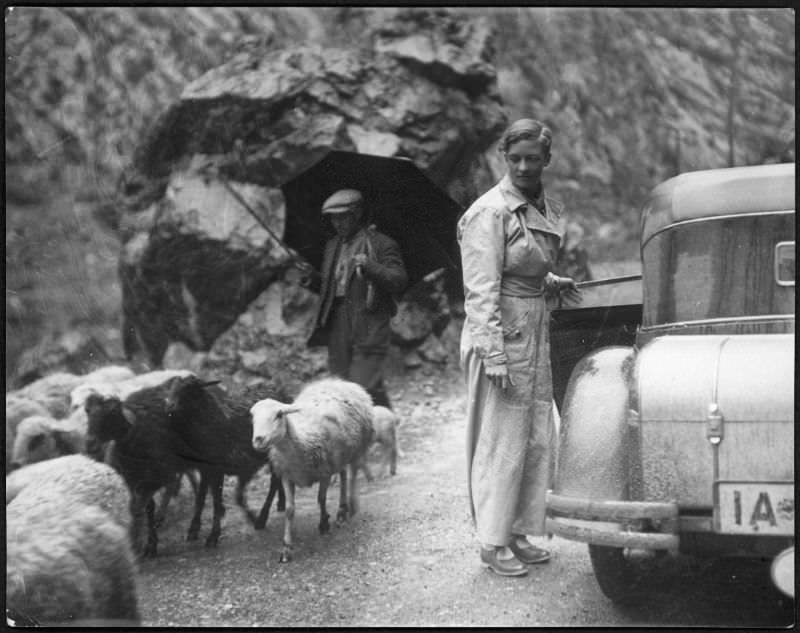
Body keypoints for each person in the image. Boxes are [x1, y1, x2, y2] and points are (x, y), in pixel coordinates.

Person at [457, 118, 580, 577]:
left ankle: (520, 530)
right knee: (501, 441)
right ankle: (492, 540)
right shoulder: (490, 213)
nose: (525, 166)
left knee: (532, 436)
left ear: (547, 159)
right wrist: (493, 354)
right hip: (503, 337)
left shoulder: (539, 205)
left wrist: (549, 281)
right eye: (516, 159)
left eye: (534, 158)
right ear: (503, 160)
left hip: (534, 326)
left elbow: (521, 265)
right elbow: (481, 288)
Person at [305, 189, 408, 409]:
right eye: (333, 218)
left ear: (357, 213)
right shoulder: (333, 245)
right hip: (338, 323)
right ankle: (382, 429)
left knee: (361, 386)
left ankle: (378, 432)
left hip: (369, 323)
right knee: (343, 386)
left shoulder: (381, 244)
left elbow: (398, 280)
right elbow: (334, 286)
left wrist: (371, 267)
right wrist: (312, 279)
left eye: (342, 217)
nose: (337, 223)